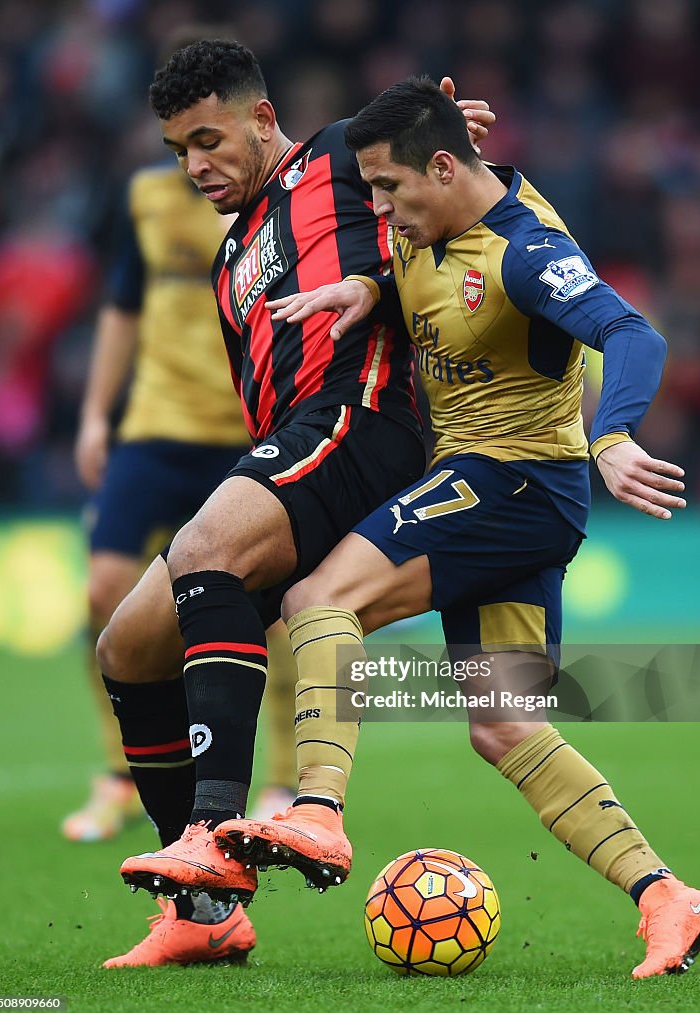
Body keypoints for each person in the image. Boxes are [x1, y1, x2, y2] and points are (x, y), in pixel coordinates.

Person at [210, 77, 700, 980]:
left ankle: (317, 813)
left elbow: (632, 333)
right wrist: (369, 291)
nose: (378, 208)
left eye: (387, 190)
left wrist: (613, 436)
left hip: (513, 480)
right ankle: (667, 899)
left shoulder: (528, 250)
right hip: (511, 496)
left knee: (318, 598)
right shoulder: (427, 228)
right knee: (504, 726)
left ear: (443, 167)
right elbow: (419, 271)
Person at [94, 43, 494, 966]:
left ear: (262, 119)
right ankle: (202, 915)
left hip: (361, 417)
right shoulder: (231, 252)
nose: (195, 166)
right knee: (128, 644)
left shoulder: (341, 154)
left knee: (205, 549)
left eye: (208, 139)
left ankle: (212, 831)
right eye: (178, 150)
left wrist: (446, 143)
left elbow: (451, 186)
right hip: (293, 444)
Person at [63, 158, 298, 848]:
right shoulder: (146, 198)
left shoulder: (273, 203)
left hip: (244, 431)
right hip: (155, 432)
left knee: (276, 611)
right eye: (179, 138)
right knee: (104, 592)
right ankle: (120, 774)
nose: (194, 157)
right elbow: (122, 307)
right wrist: (94, 417)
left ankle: (282, 780)